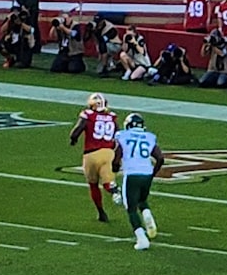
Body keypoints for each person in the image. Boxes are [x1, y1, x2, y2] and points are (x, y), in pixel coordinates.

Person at [112, 113, 164, 250]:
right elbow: (160, 158)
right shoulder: (149, 137)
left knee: (131, 208)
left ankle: (142, 238)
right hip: (146, 173)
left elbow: (117, 156)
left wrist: (114, 168)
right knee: (142, 199)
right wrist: (153, 173)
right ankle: (147, 214)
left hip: (132, 173)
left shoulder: (123, 135)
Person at [69, 93, 120, 222]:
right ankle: (113, 190)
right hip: (108, 153)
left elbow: (76, 131)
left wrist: (73, 139)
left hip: (91, 154)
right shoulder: (112, 117)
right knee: (107, 181)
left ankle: (101, 212)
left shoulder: (88, 115)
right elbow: (119, 136)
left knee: (93, 185)